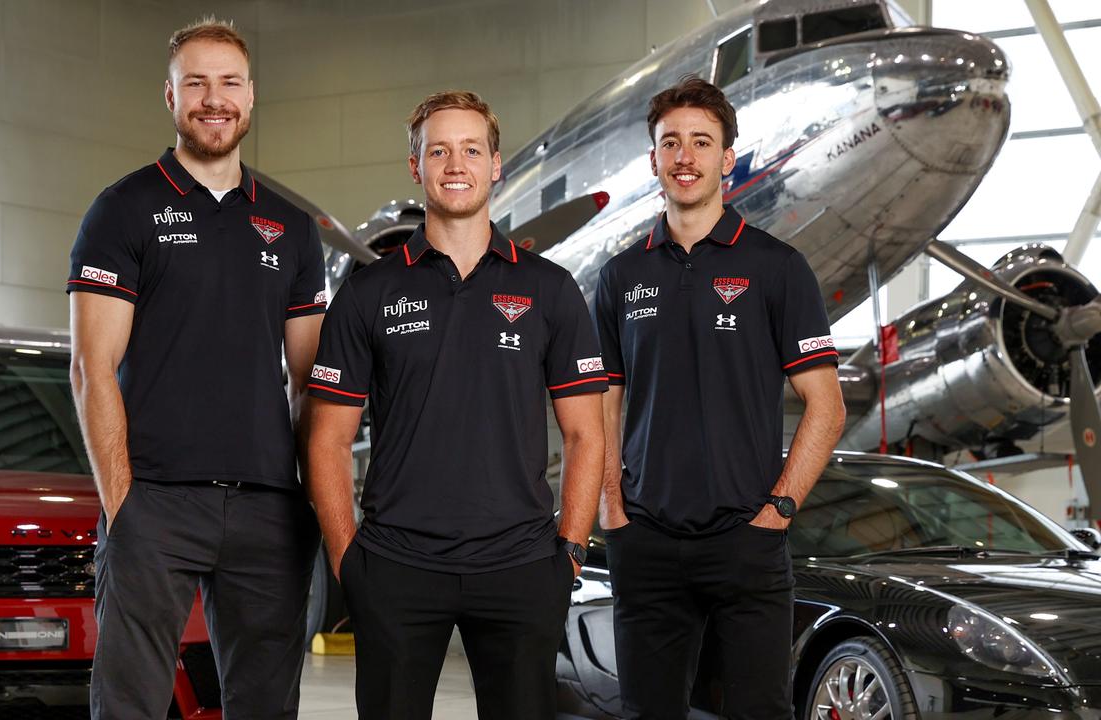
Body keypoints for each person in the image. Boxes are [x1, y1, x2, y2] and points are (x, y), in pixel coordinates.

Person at [306, 90, 605, 720]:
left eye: (472, 149)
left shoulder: (550, 289)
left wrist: (569, 553)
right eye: (437, 150)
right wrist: (348, 562)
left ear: (496, 165)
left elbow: (587, 434)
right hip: (395, 568)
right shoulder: (368, 293)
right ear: (415, 166)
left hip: (522, 568)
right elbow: (327, 440)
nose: (455, 164)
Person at [67, 17, 326, 720]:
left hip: (269, 508)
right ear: (170, 95)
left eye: (230, 83)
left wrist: (318, 504)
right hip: (154, 501)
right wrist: (123, 508)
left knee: (265, 705)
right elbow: (93, 367)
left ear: (251, 96)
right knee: (131, 707)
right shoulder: (122, 210)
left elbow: (313, 384)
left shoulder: (292, 228)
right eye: (198, 83)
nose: (215, 99)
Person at [593, 76, 846, 720]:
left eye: (701, 143)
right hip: (645, 542)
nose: (685, 156)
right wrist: (612, 510)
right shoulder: (621, 276)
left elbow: (827, 406)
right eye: (670, 143)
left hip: (747, 542)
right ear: (653, 159)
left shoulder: (777, 267)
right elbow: (599, 406)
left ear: (726, 159)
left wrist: (779, 509)